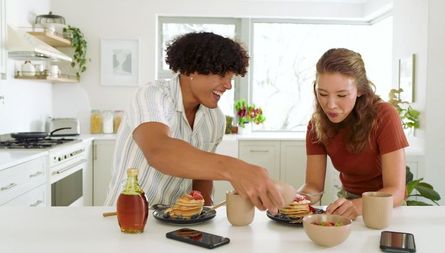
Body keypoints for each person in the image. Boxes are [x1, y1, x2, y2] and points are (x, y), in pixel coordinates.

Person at [105, 32, 284, 213]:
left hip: (176, 220)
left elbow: (202, 178)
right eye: (222, 75)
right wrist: (234, 169)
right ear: (191, 70)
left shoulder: (215, 119)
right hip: (128, 216)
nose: (228, 85)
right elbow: (158, 151)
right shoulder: (152, 95)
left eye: (231, 78)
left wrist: (205, 214)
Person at [298, 48, 408, 220]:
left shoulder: (385, 115)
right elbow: (313, 186)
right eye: (323, 94)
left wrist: (357, 206)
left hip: (386, 206)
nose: (330, 105)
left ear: (360, 90)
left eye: (342, 95)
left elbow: (396, 190)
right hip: (349, 201)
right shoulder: (316, 124)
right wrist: (297, 200)